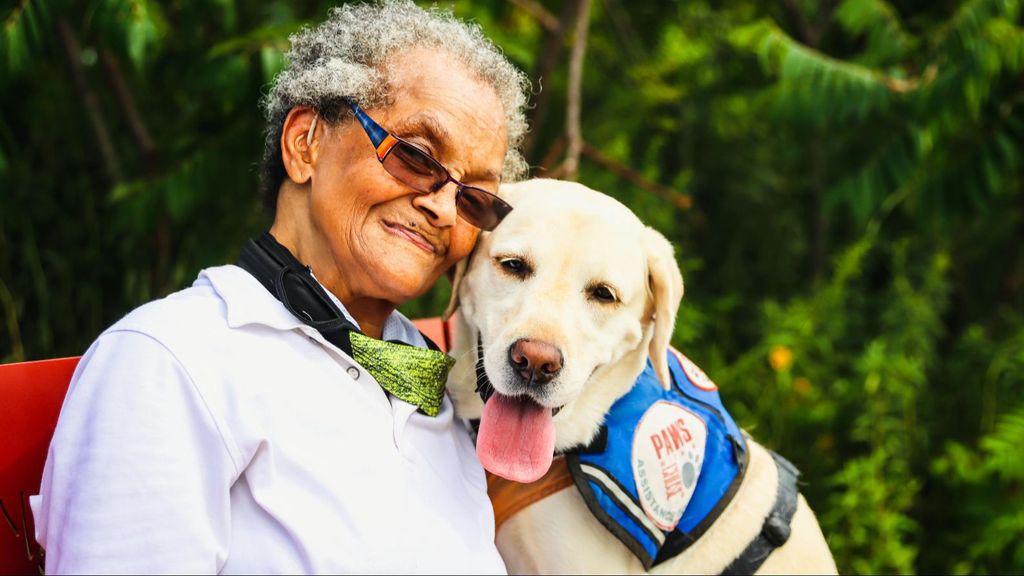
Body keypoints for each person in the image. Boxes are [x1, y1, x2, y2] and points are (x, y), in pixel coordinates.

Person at [30, 1, 529, 572]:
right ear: (305, 143)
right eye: (415, 156)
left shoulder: (437, 381)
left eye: (474, 198)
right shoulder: (172, 359)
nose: (444, 208)